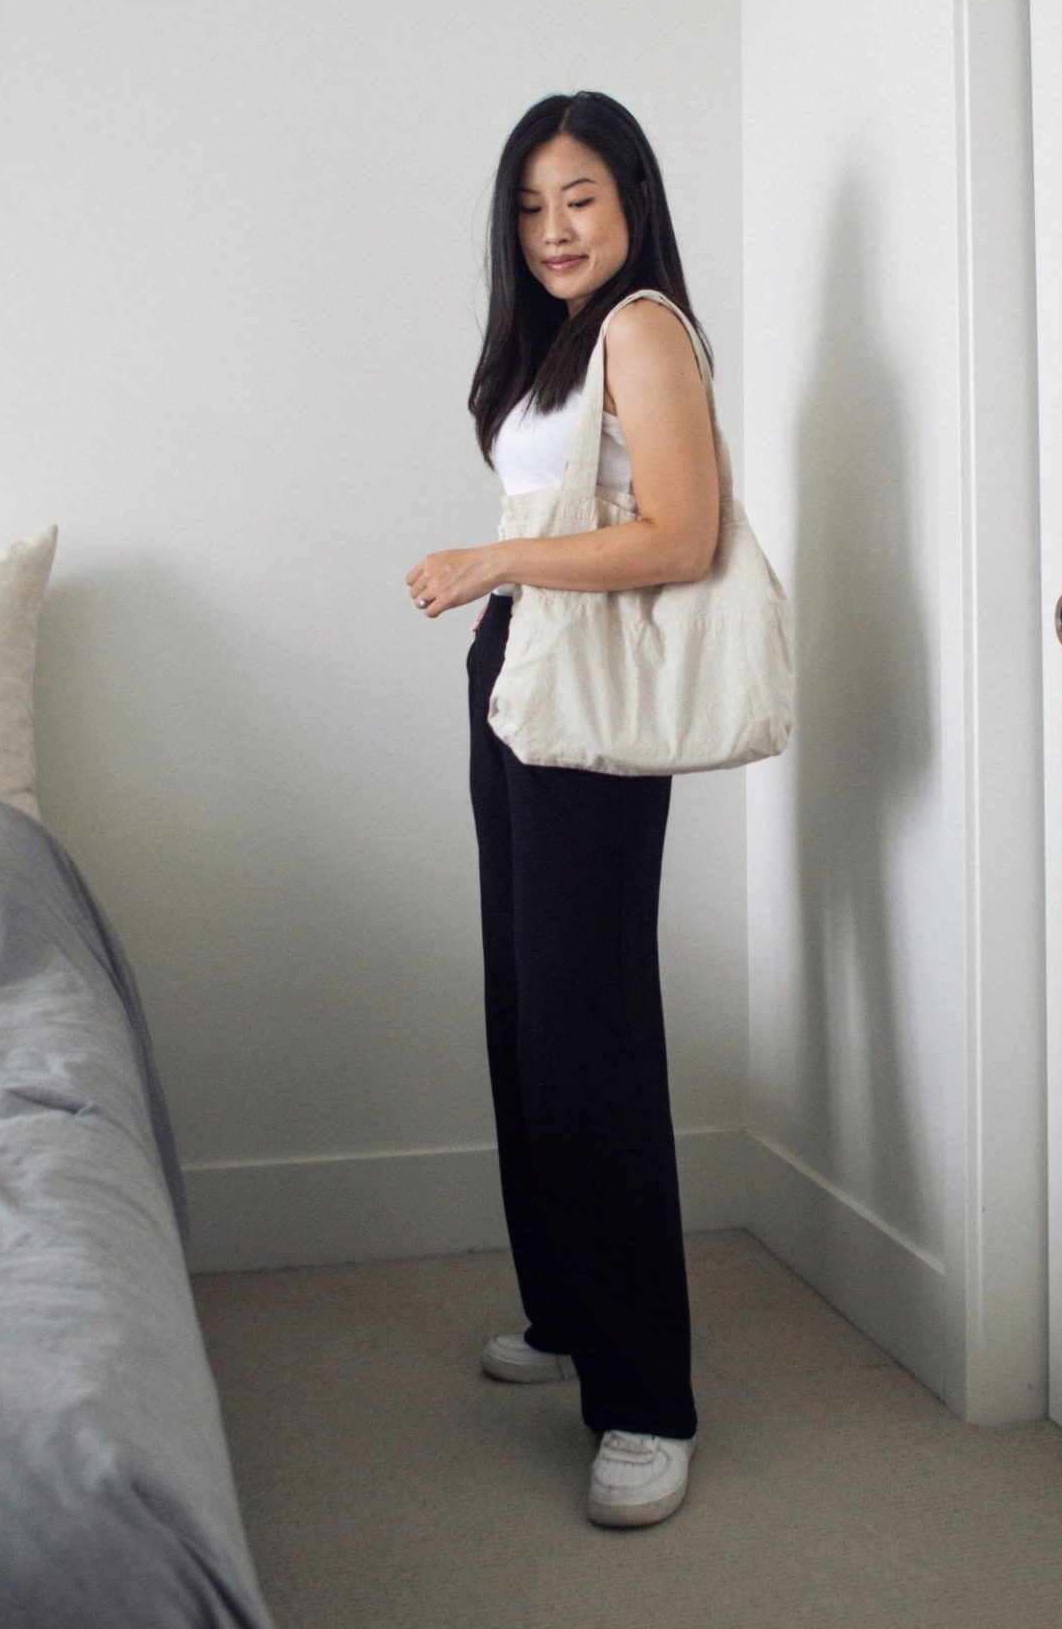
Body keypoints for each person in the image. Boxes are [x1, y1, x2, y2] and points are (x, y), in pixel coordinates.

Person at [404, 91, 719, 1528]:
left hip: (585, 696)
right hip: (516, 674)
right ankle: (566, 1311)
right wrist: (499, 590)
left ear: (634, 197)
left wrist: (490, 557)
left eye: (579, 198)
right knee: (525, 1008)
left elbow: (681, 533)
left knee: (590, 1029)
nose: (554, 231)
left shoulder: (646, 327)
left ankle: (648, 1397)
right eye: (531, 207)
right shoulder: (553, 348)